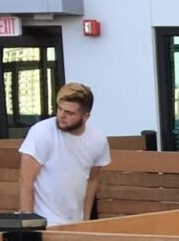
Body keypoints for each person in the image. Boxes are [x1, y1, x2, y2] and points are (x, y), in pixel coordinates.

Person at [18, 83, 111, 225]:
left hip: (75, 222)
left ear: (85, 116)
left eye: (69, 113)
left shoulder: (98, 139)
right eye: (60, 109)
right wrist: (28, 224)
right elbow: (26, 180)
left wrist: (85, 221)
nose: (61, 115)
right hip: (44, 222)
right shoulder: (41, 132)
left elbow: (92, 180)